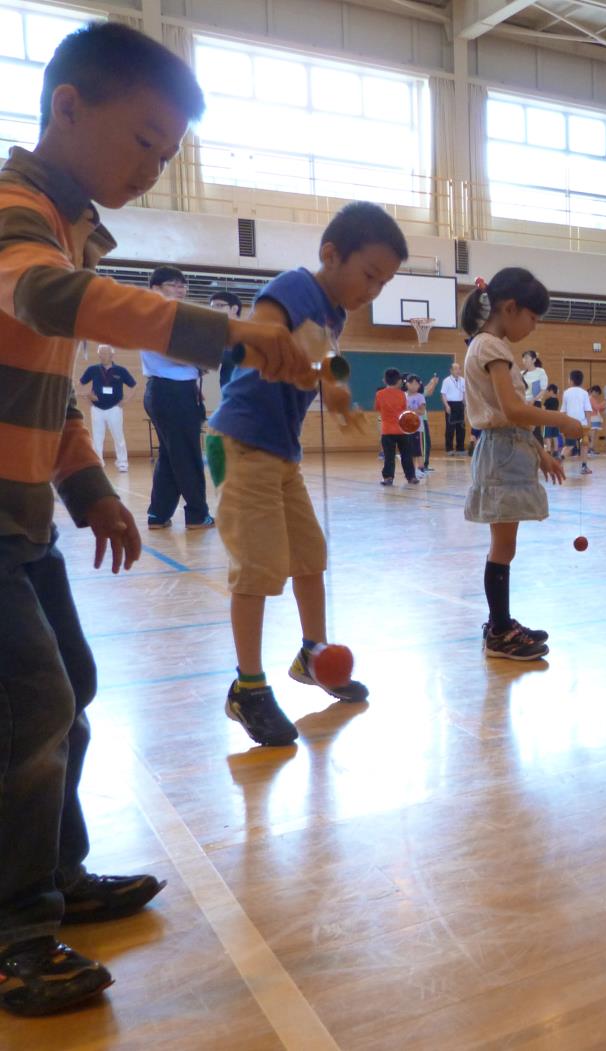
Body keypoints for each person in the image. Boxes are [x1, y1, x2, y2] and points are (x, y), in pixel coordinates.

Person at [0, 21, 304, 1018]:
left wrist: (87, 488)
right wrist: (223, 330)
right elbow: (48, 304)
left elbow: (39, 386)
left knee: (69, 688)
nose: (153, 167)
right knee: (30, 707)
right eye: (143, 140)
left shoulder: (70, 223)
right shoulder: (14, 213)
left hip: (23, 518)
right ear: (69, 106)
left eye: (169, 153)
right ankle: (13, 933)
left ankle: (56, 876)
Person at [209, 201, 405, 746]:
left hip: (281, 453)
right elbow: (263, 332)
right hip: (240, 443)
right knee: (258, 568)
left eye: (384, 283)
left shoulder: (333, 313)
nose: (373, 291)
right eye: (369, 275)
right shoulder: (297, 287)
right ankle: (247, 687)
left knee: (308, 558)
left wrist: (336, 390)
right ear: (330, 254)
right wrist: (284, 353)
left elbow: (323, 357)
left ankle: (313, 654)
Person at [461, 269, 584, 659]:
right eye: (533, 317)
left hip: (509, 448)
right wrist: (560, 420)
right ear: (510, 308)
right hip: (501, 453)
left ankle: (501, 622)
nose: (534, 327)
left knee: (504, 546)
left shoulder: (489, 346)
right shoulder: (491, 347)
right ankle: (499, 631)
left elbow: (508, 415)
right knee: (502, 546)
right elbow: (513, 409)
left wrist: (541, 452)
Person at [141, 265, 215, 530]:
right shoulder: (154, 315)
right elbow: (168, 352)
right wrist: (200, 359)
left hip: (175, 391)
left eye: (183, 285)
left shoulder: (173, 316)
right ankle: (197, 514)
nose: (180, 289)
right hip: (169, 392)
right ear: (155, 289)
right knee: (187, 455)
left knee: (171, 456)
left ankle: (158, 514)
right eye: (173, 284)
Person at [79, 344, 136, 472]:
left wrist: (125, 400)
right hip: (97, 409)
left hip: (114, 408)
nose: (103, 356)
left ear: (112, 354)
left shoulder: (121, 371)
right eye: (101, 353)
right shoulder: (92, 370)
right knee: (97, 437)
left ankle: (122, 463)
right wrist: (88, 396)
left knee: (118, 436)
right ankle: (98, 462)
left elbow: (133, 386)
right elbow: (80, 385)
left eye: (105, 353)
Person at [376, 368, 416, 485]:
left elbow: (378, 408)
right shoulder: (402, 394)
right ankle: (411, 477)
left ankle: (388, 478)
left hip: (387, 431)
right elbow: (405, 409)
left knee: (389, 456)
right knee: (406, 455)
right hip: (402, 430)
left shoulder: (379, 394)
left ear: (385, 381)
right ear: (398, 381)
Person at [208, 290, 244, 388]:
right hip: (228, 389)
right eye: (212, 307)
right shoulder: (220, 333)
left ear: (234, 309)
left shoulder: (247, 331)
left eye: (219, 306)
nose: (214, 310)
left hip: (248, 390)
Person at [561, 369, 592, 473]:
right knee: (584, 445)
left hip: (569, 424)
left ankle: (559, 462)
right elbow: (587, 410)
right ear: (581, 381)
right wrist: (589, 424)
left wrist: (562, 424)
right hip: (582, 424)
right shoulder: (584, 393)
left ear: (571, 380)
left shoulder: (566, 393)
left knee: (569, 445)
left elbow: (563, 411)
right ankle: (584, 466)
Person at [442, 360, 467, 455]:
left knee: (461, 427)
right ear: (451, 370)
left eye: (459, 368)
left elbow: (464, 393)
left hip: (460, 404)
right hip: (450, 405)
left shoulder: (463, 380)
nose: (457, 370)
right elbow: (443, 394)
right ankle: (449, 449)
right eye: (455, 369)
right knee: (450, 428)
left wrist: (465, 406)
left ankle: (460, 448)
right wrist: (446, 405)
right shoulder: (446, 381)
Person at [543, 383, 563, 455]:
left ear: (551, 391)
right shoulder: (557, 400)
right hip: (555, 419)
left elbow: (543, 409)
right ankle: (556, 451)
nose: (547, 393)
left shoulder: (547, 400)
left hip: (548, 419)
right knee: (555, 436)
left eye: (548, 391)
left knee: (547, 436)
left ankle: (548, 450)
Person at [588, 384, 606, 455]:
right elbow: (597, 407)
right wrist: (603, 403)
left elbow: (598, 408)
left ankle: (592, 448)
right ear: (594, 391)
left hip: (595, 418)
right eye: (597, 393)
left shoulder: (593, 399)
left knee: (594, 434)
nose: (597, 395)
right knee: (593, 434)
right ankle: (590, 449)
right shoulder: (591, 398)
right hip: (593, 418)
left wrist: (603, 407)